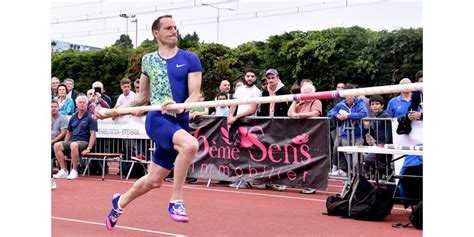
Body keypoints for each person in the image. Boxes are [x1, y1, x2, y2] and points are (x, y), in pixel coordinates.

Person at [97, 15, 202, 229]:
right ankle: (176, 201)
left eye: (175, 27)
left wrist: (181, 106)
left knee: (154, 180)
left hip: (179, 121)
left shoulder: (191, 59)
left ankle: (120, 203)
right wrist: (115, 112)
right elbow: (142, 97)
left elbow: (195, 96)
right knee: (191, 145)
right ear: (156, 33)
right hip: (158, 120)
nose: (174, 31)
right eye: (168, 28)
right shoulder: (149, 60)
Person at [227, 68, 262, 189]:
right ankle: (239, 178)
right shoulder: (240, 89)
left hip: (250, 124)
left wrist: (236, 117)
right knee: (238, 151)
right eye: (248, 76)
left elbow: (252, 109)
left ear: (255, 78)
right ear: (245, 77)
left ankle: (247, 180)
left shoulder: (257, 91)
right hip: (238, 123)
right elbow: (234, 103)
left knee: (249, 152)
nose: (250, 78)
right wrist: (231, 116)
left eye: (252, 76)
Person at [287, 83, 323, 194]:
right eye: (304, 93)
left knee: (312, 159)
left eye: (308, 93)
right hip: (300, 135)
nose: (306, 95)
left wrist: (299, 115)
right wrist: (295, 101)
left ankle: (312, 184)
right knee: (298, 158)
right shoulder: (300, 103)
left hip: (313, 135)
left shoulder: (316, 101)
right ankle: (298, 181)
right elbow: (289, 113)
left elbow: (315, 113)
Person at [53, 94, 98, 180]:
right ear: (76, 104)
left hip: (84, 142)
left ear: (87, 104)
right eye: (80, 102)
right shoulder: (73, 117)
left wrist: (88, 148)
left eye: (84, 102)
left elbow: (93, 134)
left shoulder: (91, 117)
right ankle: (64, 170)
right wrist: (65, 143)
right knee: (57, 145)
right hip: (73, 141)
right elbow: (69, 132)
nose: (82, 104)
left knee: (73, 145)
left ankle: (74, 170)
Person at [327, 84, 368, 176]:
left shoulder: (359, 102)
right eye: (348, 94)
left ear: (355, 94)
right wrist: (337, 115)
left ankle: (362, 177)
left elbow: (364, 113)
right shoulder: (340, 104)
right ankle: (353, 180)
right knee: (349, 161)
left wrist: (348, 116)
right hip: (345, 135)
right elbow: (330, 113)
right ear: (344, 95)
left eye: (352, 94)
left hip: (358, 135)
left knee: (356, 161)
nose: (350, 96)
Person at [362, 95, 393, 176]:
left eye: (377, 104)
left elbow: (389, 132)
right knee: (367, 162)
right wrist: (367, 126)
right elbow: (373, 132)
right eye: (372, 104)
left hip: (385, 146)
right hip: (379, 145)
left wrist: (385, 145)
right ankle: (385, 173)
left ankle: (388, 171)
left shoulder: (386, 116)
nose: (374, 106)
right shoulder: (375, 116)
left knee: (368, 159)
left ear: (382, 105)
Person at [51, 100, 68, 190]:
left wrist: (52, 141)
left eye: (55, 107)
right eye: (52, 107)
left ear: (58, 108)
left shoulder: (63, 118)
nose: (53, 108)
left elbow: (63, 133)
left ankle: (62, 170)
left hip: (57, 142)